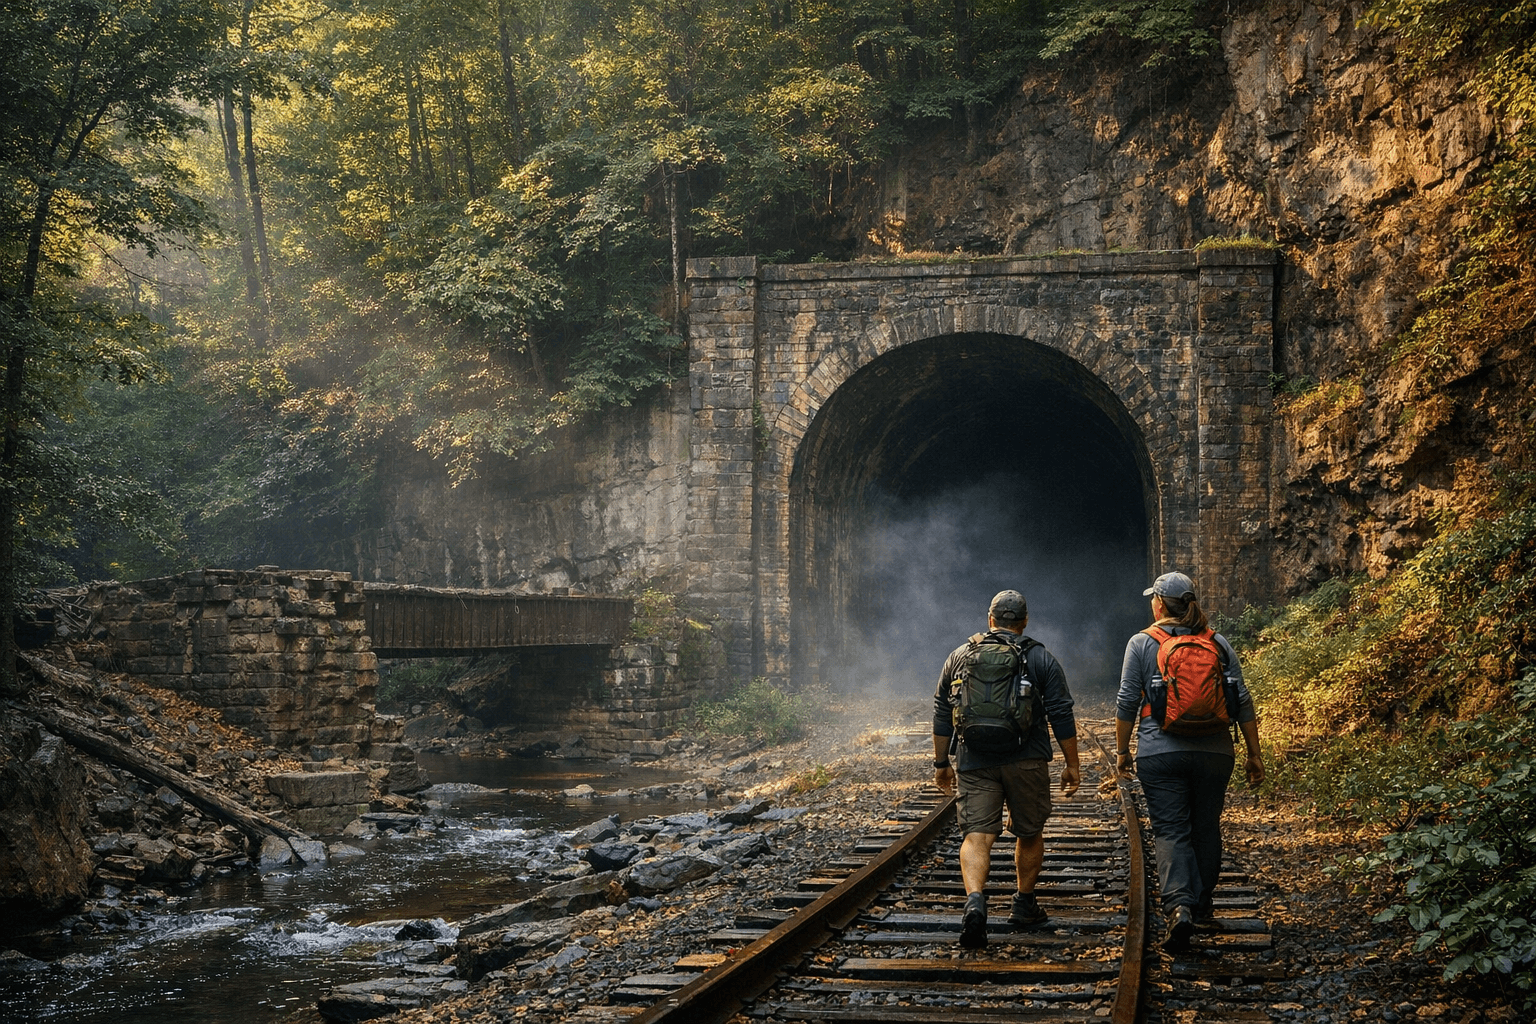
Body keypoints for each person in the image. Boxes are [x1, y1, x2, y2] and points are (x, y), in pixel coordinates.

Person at [1115, 570, 1264, 950]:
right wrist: (1253, 754)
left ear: (1161, 604)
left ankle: (1179, 906)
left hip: (1159, 752)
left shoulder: (1141, 642)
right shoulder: (1218, 642)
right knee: (1206, 827)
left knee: (1170, 830)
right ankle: (1203, 903)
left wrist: (1122, 751)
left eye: (1153, 598)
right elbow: (1242, 700)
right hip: (1215, 753)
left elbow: (1127, 700)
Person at [933, 589, 1081, 949]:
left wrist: (941, 764)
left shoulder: (960, 656)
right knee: (1028, 832)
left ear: (990, 619)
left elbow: (941, 712)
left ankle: (975, 902)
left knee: (977, 836)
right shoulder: (1040, 658)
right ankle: (1024, 903)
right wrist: (1072, 763)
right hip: (1026, 758)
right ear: (1025, 621)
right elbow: (1061, 712)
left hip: (974, 759)